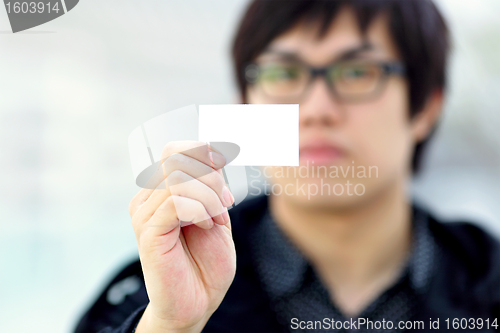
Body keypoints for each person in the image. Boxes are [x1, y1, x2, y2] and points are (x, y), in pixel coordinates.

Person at [74, 0, 500, 332]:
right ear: (246, 104)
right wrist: (171, 326)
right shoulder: (155, 291)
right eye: (283, 74)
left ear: (426, 107)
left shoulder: (489, 283)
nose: (316, 109)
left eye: (356, 72)